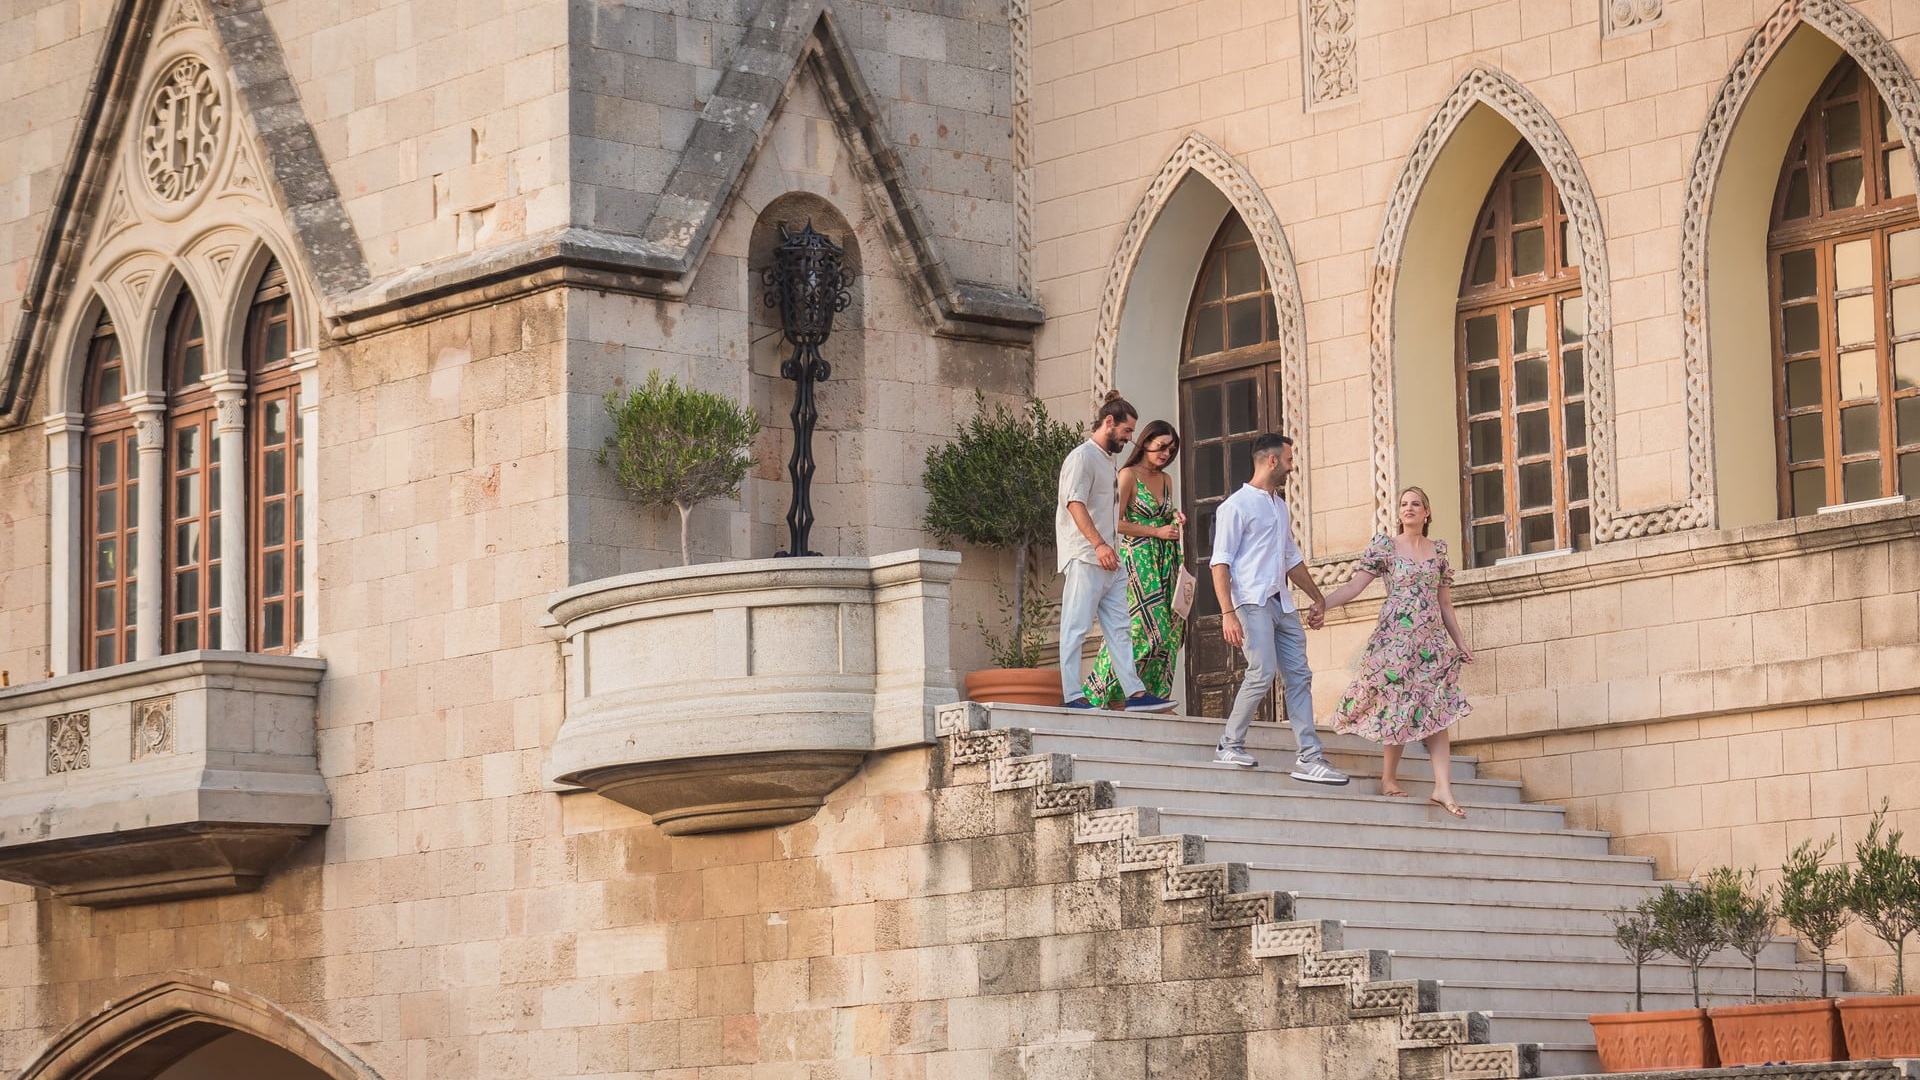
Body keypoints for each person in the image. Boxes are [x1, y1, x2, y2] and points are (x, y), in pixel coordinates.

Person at [1319, 485, 1475, 817]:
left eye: (1416, 504)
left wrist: (1459, 642)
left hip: (1430, 642)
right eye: (1404, 504)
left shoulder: (1439, 551)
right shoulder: (1386, 547)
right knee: (1398, 704)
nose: (1409, 508)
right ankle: (1388, 778)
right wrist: (1322, 605)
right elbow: (1354, 586)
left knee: (1438, 708)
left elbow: (1445, 603)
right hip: (1395, 641)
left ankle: (1443, 787)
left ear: (1427, 512)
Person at [1207, 433, 1347, 784]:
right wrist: (1227, 613)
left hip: (1281, 603)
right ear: (1271, 461)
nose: (1290, 467)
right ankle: (1229, 744)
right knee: (1262, 671)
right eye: (1287, 460)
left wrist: (1317, 597)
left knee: (1299, 676)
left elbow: (1291, 559)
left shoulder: (1279, 505)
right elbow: (1219, 564)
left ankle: (1309, 756)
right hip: (1251, 602)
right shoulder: (1235, 507)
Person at [1056, 391, 1177, 712]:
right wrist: (1098, 544)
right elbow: (1074, 503)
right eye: (1126, 431)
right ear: (1109, 423)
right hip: (1086, 556)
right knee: (1076, 626)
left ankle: (1135, 693)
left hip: (1111, 560)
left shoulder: (1106, 461)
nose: (1129, 439)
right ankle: (1071, 696)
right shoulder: (1082, 457)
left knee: (1121, 628)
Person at [1082, 420, 1187, 708]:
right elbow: (1113, 523)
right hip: (1137, 561)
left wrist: (1175, 517)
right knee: (1142, 629)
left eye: (1172, 450)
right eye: (1162, 446)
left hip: (1165, 562)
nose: (1166, 453)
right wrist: (1156, 531)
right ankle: (1100, 694)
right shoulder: (1127, 475)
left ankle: (1152, 697)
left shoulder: (1166, 480)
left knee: (1168, 633)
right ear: (1145, 442)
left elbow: (1163, 515)